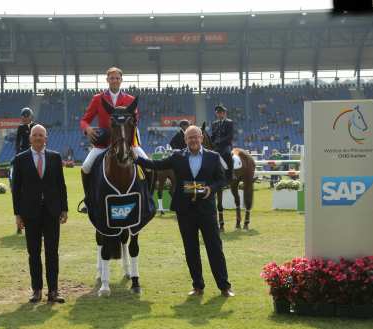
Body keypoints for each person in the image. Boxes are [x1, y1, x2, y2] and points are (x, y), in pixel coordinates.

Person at [134, 125, 234, 297]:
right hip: (185, 211)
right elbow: (156, 165)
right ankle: (198, 286)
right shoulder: (177, 156)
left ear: (201, 138)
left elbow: (222, 179)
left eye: (196, 137)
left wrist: (211, 188)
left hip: (207, 210)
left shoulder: (213, 157)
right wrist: (136, 158)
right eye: (190, 138)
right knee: (191, 249)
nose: (193, 140)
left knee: (215, 248)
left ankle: (224, 287)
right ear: (185, 140)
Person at [12, 124, 68, 304]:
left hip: (52, 211)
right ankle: (36, 290)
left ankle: (53, 291)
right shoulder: (20, 159)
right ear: (30, 138)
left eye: (41, 135)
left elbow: (61, 185)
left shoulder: (55, 157)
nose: (37, 138)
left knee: (52, 252)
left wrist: (64, 209)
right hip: (30, 212)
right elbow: (16, 190)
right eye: (35, 135)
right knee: (33, 253)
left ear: (46, 138)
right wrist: (18, 215)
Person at [79, 66, 149, 209]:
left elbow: (136, 119)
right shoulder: (98, 99)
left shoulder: (130, 99)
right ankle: (88, 199)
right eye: (112, 78)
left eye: (117, 78)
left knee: (148, 164)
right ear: (107, 80)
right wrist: (88, 129)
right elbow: (84, 120)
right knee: (86, 166)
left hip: (126, 142)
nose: (115, 80)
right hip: (103, 143)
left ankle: (148, 196)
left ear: (121, 80)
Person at [211, 104, 234, 181]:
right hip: (216, 146)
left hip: (226, 145)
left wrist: (219, 141)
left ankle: (231, 175)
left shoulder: (229, 122)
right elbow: (213, 135)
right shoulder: (214, 124)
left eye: (220, 112)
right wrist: (211, 142)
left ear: (224, 113)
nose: (219, 114)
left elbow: (230, 136)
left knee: (228, 156)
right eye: (217, 113)